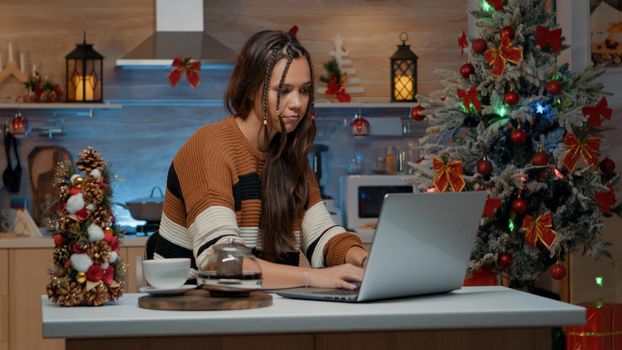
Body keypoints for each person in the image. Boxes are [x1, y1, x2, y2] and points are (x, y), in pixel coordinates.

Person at [154, 29, 368, 290]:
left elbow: (322, 235)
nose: (297, 103)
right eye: (284, 90)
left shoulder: (289, 154)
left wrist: (365, 259)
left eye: (305, 90)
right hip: (196, 313)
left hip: (260, 307)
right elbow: (221, 262)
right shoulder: (209, 148)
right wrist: (311, 277)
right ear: (252, 90)